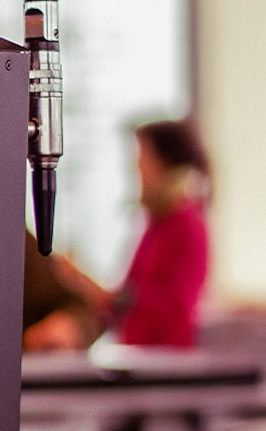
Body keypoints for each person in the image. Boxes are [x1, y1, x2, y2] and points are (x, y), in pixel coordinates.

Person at [58, 118, 212, 348]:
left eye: (142, 161)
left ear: (165, 166)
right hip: (139, 353)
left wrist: (108, 296)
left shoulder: (186, 226)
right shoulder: (157, 226)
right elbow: (126, 301)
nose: (137, 171)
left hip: (165, 359)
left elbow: (171, 308)